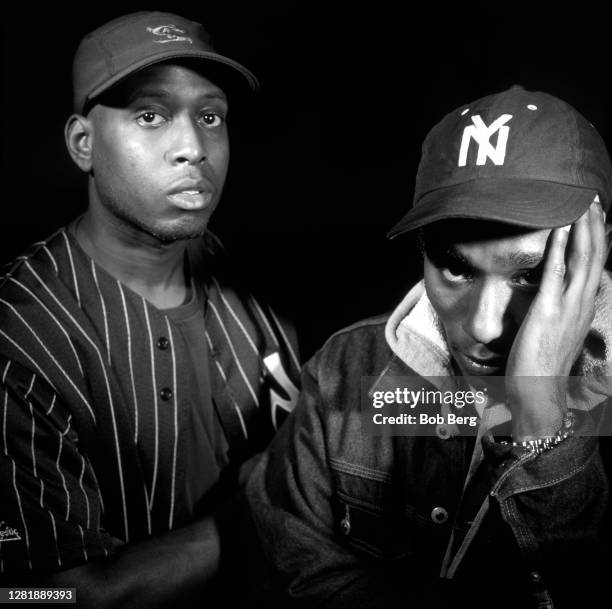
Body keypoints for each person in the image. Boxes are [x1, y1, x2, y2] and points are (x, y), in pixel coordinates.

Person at [247, 85, 612, 608]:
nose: (484, 327)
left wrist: (539, 415)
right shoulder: (345, 369)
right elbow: (298, 572)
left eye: (529, 275)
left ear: (597, 248)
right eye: (457, 268)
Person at [0, 11, 300, 607]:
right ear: (84, 143)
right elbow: (37, 596)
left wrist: (519, 409)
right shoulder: (19, 335)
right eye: (150, 116)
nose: (192, 148)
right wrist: (282, 504)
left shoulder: (269, 282)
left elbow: (371, 419)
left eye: (210, 117)